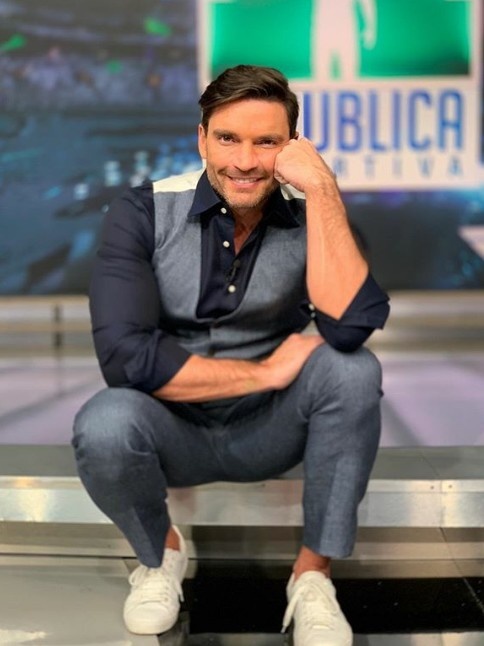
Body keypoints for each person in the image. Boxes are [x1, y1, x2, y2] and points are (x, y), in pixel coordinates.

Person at [73, 64, 389, 645]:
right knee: (104, 421)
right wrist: (265, 371)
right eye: (227, 138)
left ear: (292, 146)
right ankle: (160, 554)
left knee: (352, 370)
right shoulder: (142, 211)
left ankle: (312, 576)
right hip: (174, 428)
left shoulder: (312, 209)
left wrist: (321, 188)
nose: (244, 161)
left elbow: (352, 327)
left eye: (266, 142)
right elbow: (126, 360)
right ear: (201, 139)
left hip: (271, 429)